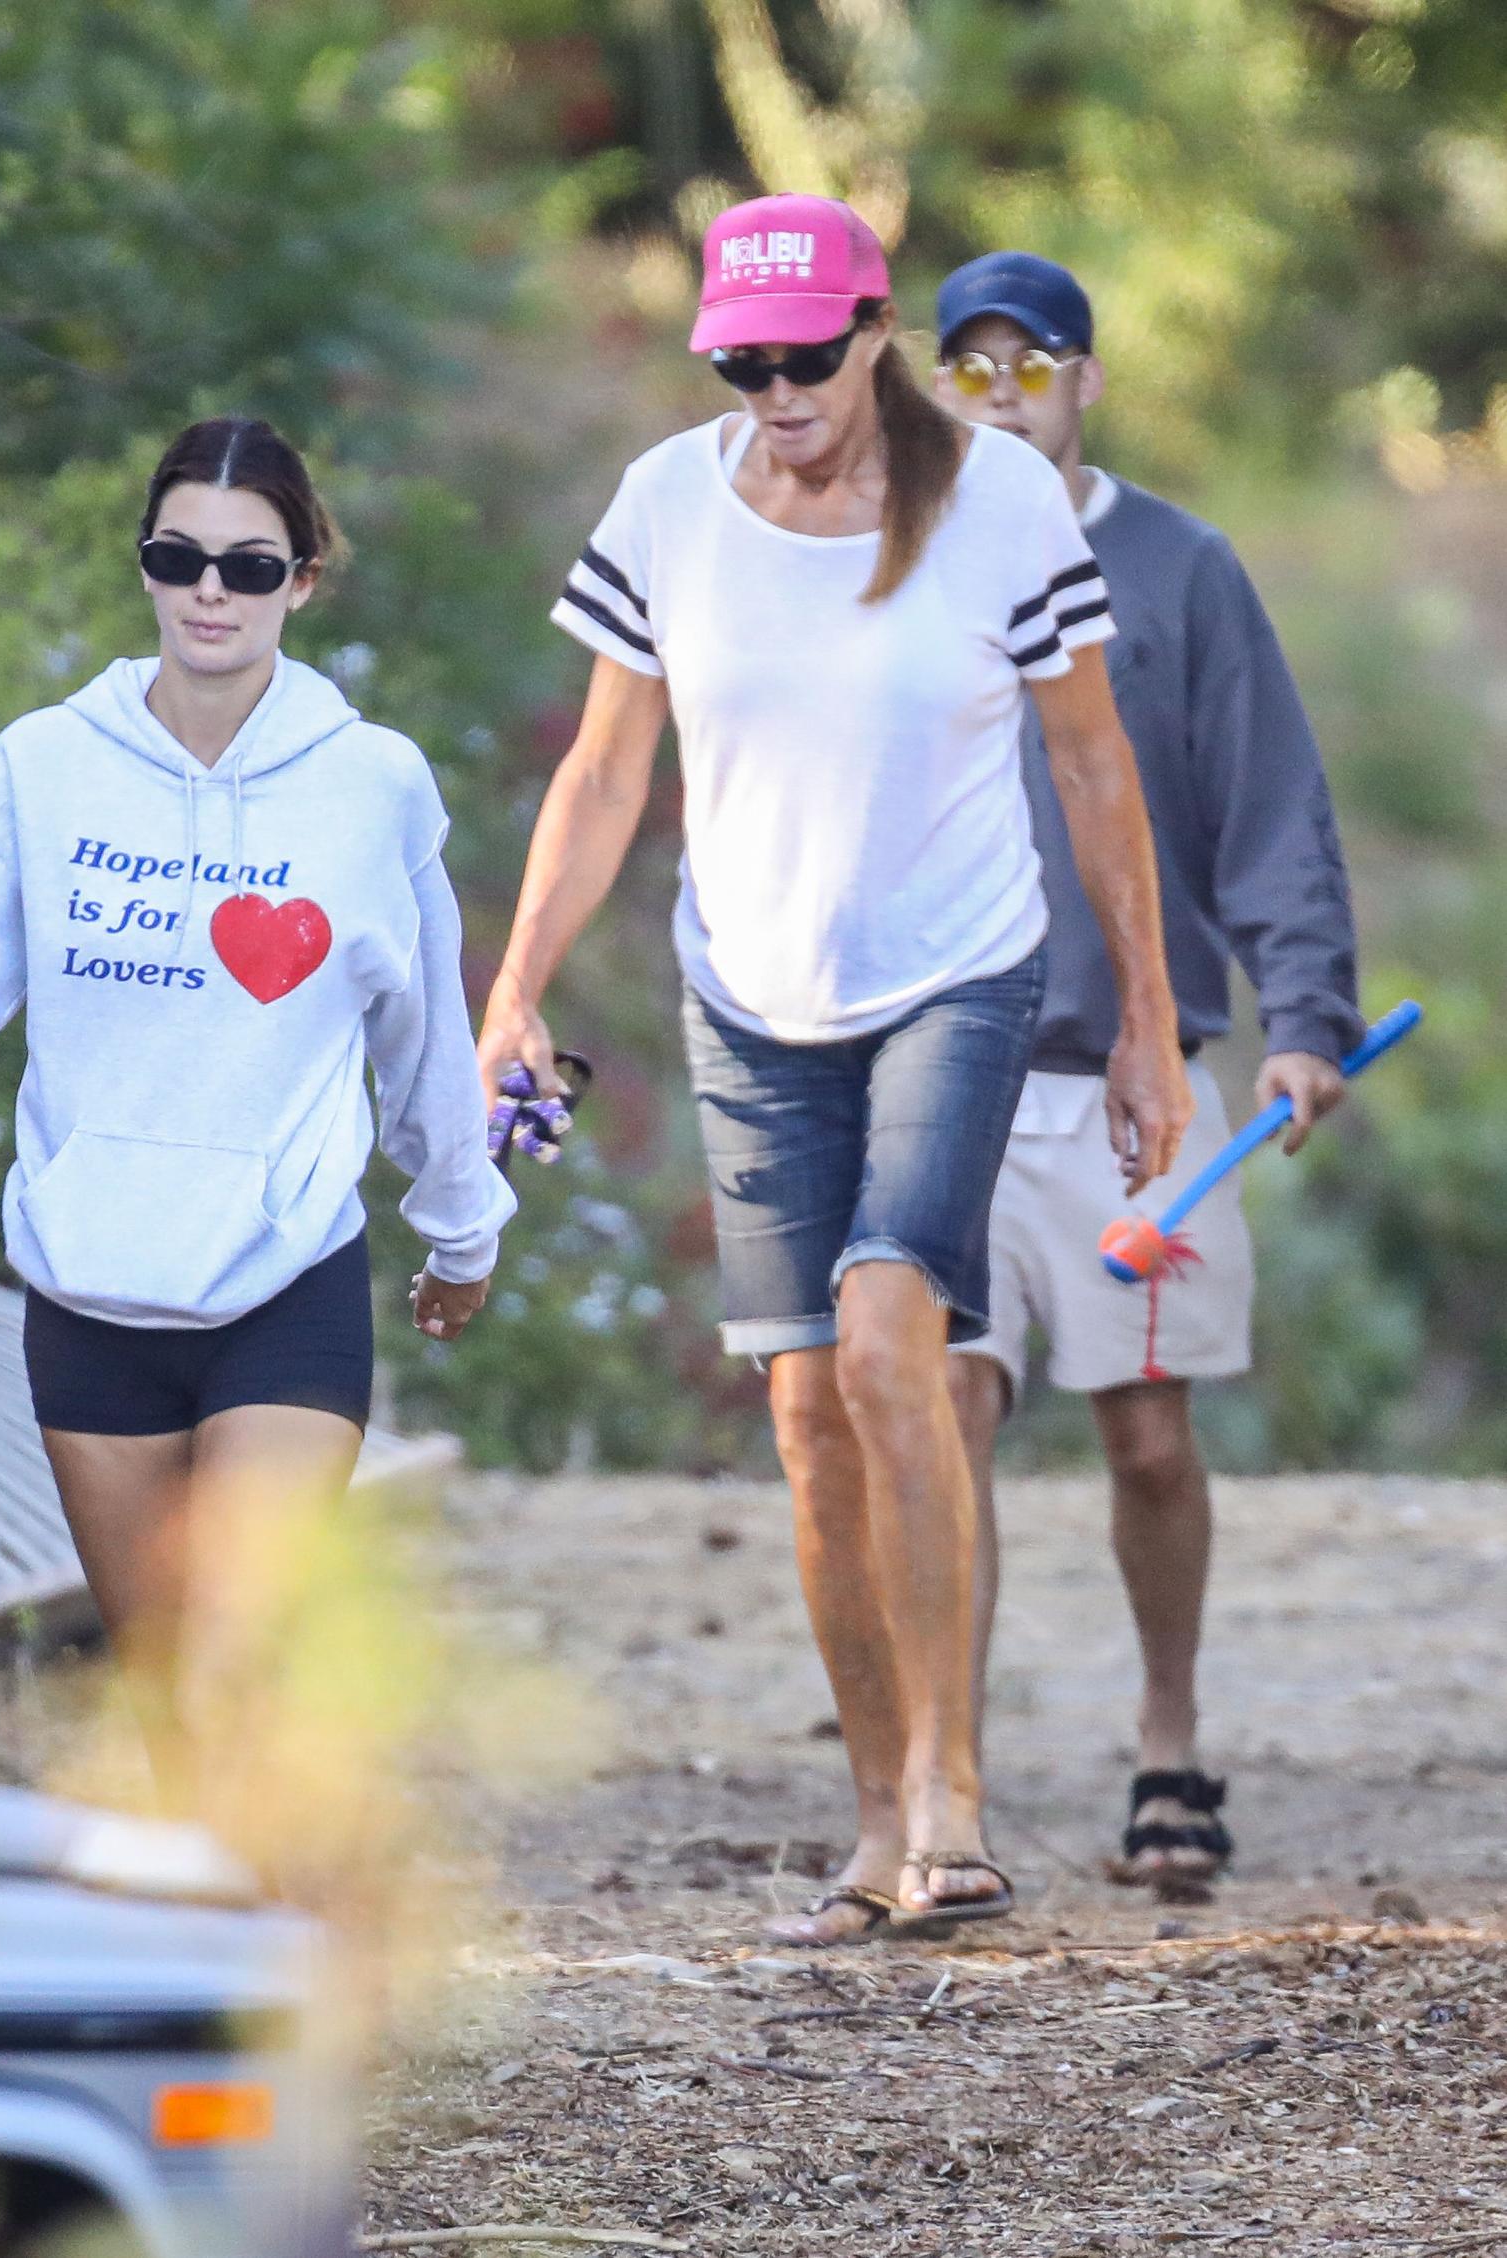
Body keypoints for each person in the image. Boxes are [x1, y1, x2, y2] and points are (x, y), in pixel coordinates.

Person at [477, 194, 1192, 1941]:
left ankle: (954, 1791)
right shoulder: (668, 502)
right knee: (805, 1412)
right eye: (745, 362)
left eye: (808, 356)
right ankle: (877, 1824)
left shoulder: (999, 502)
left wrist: (1149, 1021)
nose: (780, 391)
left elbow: (1092, 763)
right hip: (750, 993)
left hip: (956, 974)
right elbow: (605, 772)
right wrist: (515, 988)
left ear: (877, 333)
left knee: (889, 1346)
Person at [0, 414, 514, 1720]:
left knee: (228, 1670)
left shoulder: (372, 785)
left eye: (250, 566)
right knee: (167, 1701)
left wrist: (462, 1229)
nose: (211, 590)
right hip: (91, 1296)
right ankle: (226, 1860)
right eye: (178, 556)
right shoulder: (44, 768)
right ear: (145, 564)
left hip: (286, 1286)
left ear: (304, 580)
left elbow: (424, 1033)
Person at [933, 253, 1362, 1882]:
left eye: (1030, 366)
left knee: (1151, 1437)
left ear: (1087, 381)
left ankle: (1168, 1739)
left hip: (1139, 1083)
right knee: (943, 1417)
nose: (1002, 396)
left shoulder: (1182, 569)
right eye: (970, 369)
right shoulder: (896, 562)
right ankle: (944, 1791)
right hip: (939, 1069)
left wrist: (1305, 1015)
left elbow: (1271, 805)